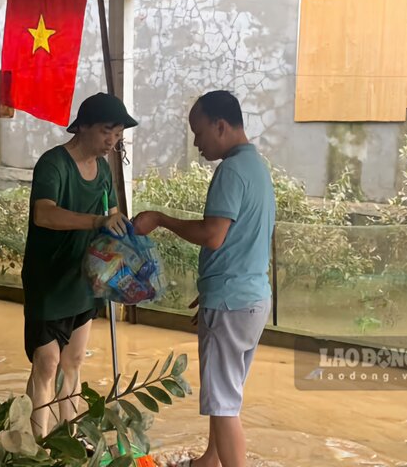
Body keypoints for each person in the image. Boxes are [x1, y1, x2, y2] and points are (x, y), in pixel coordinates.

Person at [133, 90, 274, 467]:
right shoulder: (258, 167)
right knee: (226, 391)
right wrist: (212, 288)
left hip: (232, 301)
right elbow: (243, 240)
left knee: (224, 403)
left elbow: (214, 234)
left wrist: (160, 219)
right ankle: (209, 460)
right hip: (250, 296)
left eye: (198, 133)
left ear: (221, 126)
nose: (196, 142)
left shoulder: (231, 170)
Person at [22, 92, 137, 437]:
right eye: (106, 131)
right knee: (47, 364)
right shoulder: (53, 164)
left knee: (73, 362)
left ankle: (68, 440)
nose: (111, 141)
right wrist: (95, 222)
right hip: (49, 279)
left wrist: (128, 242)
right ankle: (37, 446)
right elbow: (44, 214)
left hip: (85, 279)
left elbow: (113, 215)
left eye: (117, 135)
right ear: (83, 126)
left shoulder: (102, 169)